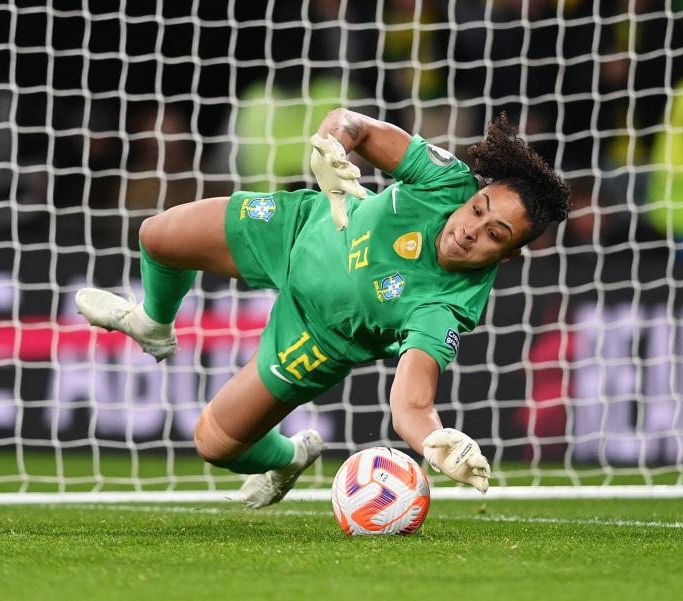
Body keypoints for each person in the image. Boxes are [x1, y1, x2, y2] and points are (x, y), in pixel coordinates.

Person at [76, 108, 570, 507]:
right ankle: (153, 325)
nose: (471, 228)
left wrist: (436, 443)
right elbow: (352, 122)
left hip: (315, 338)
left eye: (494, 235)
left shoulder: (448, 307)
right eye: (479, 209)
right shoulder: (446, 181)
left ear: (507, 254)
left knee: (214, 444)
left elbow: (412, 404)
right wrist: (331, 145)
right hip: (298, 232)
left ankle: (290, 456)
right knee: (158, 236)